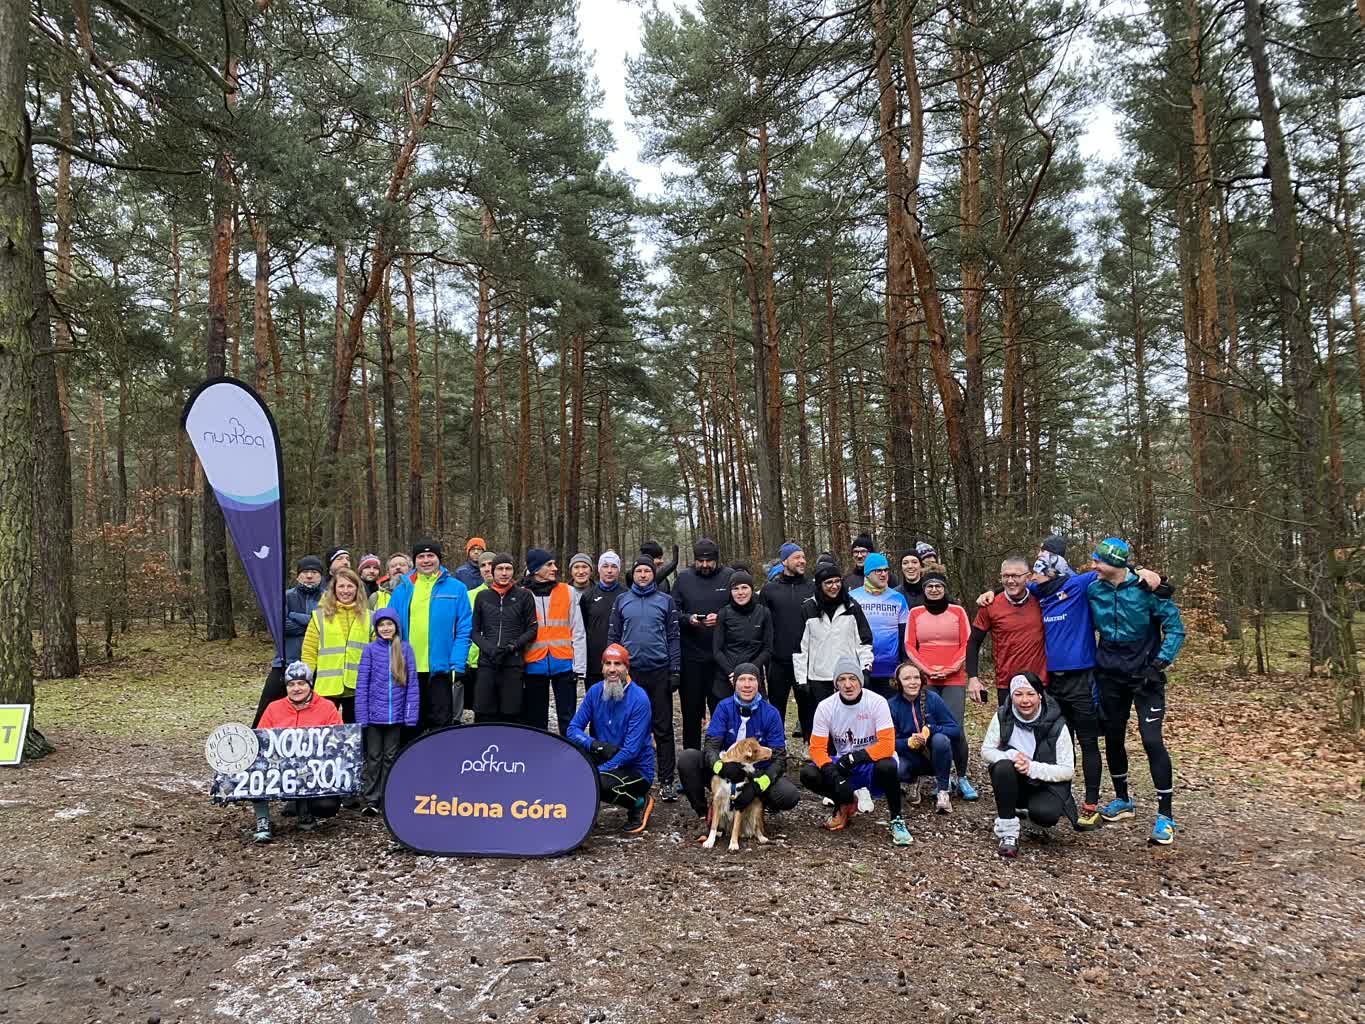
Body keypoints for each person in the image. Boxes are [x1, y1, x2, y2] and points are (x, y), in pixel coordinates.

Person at [973, 535, 1169, 830]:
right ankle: (1048, 793)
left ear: (1054, 567)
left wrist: (1145, 572)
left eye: (1040, 567)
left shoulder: (1079, 584)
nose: (1034, 578)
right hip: (1051, 682)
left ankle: (1090, 802)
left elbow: (1114, 570)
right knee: (1057, 740)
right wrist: (991, 592)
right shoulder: (1038, 592)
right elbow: (1016, 586)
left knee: (1088, 740)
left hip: (1083, 678)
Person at [1087, 537, 1186, 845]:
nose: (1093, 566)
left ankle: (1165, 817)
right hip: (1109, 675)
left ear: (1115, 564)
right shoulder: (1093, 589)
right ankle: (1123, 800)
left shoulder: (1147, 590)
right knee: (1113, 737)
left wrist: (1159, 663)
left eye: (1098, 561)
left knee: (1152, 740)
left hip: (1145, 675)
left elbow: (1176, 628)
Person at [799, 657, 912, 845]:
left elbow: (887, 745)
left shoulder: (877, 702)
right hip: (844, 763)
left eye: (852, 679)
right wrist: (835, 777)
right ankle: (843, 803)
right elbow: (817, 748)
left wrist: (855, 757)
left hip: (871, 761)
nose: (848, 685)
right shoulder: (826, 706)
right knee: (808, 773)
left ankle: (896, 819)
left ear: (860, 681)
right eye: (842, 680)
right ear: (836, 684)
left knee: (888, 765)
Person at [677, 662, 801, 822]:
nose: (747, 685)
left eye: (752, 679)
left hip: (756, 773)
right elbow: (710, 746)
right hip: (726, 770)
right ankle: (704, 813)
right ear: (734, 683)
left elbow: (779, 758)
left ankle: (760, 804)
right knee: (688, 759)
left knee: (789, 795)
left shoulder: (771, 713)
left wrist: (757, 787)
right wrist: (721, 767)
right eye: (742, 680)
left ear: (759, 683)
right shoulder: (723, 707)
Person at [980, 672, 1077, 858]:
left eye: (1030, 694)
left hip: (1044, 783)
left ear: (1040, 695)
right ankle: (1008, 832)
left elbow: (1067, 770)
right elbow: (986, 750)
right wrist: (1012, 755)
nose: (1025, 700)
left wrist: (1032, 767)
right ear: (1011, 695)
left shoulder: (1058, 724)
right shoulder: (1003, 716)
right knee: (1002, 766)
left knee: (1046, 816)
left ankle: (1025, 809)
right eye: (1019, 694)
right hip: (1013, 775)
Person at [608, 556, 682, 799]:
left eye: (647, 571)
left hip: (659, 670)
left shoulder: (665, 601)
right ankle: (629, 774)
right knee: (630, 726)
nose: (642, 575)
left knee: (663, 727)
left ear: (653, 574)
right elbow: (614, 637)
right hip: (630, 674)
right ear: (633, 575)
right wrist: (613, 669)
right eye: (638, 571)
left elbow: (673, 636)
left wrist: (675, 670)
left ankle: (667, 780)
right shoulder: (622, 601)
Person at [903, 569, 979, 801]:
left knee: (954, 727)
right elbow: (909, 645)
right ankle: (940, 779)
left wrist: (953, 667)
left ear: (945, 589)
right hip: (926, 679)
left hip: (953, 677)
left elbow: (968, 642)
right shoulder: (915, 613)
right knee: (930, 728)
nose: (934, 589)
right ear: (924, 590)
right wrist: (925, 670)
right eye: (929, 586)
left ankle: (963, 777)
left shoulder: (957, 611)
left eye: (938, 586)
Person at [566, 643, 656, 833]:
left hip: (635, 769)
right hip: (604, 756)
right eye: (608, 664)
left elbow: (631, 751)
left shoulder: (639, 699)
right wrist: (595, 745)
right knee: (571, 765)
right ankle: (585, 814)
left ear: (626, 668)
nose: (612, 669)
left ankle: (640, 802)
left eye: (618, 664)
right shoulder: (595, 692)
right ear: (602, 667)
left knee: (596, 780)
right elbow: (573, 729)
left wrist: (594, 771)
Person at [252, 661, 344, 842]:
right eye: (291, 684)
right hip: (277, 767)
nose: (296, 688)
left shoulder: (327, 707)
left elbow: (339, 742)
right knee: (255, 764)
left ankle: (305, 811)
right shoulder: (273, 708)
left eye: (301, 683)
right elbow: (261, 742)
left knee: (327, 806)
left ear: (310, 684)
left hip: (313, 771)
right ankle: (263, 819)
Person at [387, 538, 474, 733]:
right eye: (421, 556)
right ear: (415, 561)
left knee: (441, 722)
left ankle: (440, 761)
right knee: (411, 722)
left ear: (439, 559)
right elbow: (390, 627)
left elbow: (464, 628)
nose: (426, 560)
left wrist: (458, 662)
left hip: (441, 668)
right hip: (409, 667)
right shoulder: (402, 589)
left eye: (431, 556)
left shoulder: (456, 588)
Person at [793, 563, 873, 741]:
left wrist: (865, 668)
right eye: (828, 582)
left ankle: (850, 753)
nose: (834, 586)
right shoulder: (808, 609)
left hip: (847, 676)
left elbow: (865, 642)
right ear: (820, 585)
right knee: (821, 720)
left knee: (848, 720)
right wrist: (801, 680)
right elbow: (800, 648)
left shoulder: (852, 607)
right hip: (819, 677)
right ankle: (819, 755)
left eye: (837, 581)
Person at [672, 538, 735, 752]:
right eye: (701, 561)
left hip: (721, 659)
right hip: (691, 658)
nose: (705, 565)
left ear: (717, 559)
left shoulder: (729, 577)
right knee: (691, 713)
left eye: (710, 561)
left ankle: (723, 760)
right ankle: (692, 763)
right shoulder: (683, 579)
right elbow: (673, 613)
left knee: (722, 711)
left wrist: (721, 618)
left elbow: (739, 608)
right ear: (694, 560)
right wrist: (689, 619)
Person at [354, 608, 419, 815]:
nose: (386, 628)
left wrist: (410, 715)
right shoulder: (370, 650)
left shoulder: (406, 650)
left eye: (389, 624)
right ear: (376, 628)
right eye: (381, 625)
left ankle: (387, 797)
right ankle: (371, 799)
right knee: (373, 756)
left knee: (391, 756)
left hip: (396, 716)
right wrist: (362, 716)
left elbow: (412, 686)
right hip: (374, 717)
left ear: (396, 627)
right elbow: (362, 685)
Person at [966, 555, 1049, 708]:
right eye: (1005, 576)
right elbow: (973, 642)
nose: (1010, 581)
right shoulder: (990, 605)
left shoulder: (1042, 600)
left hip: (1039, 681)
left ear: (1028, 577)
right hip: (1007, 682)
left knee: (1041, 730)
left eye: (1016, 576)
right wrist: (973, 678)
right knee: (1009, 730)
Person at [254, 554, 326, 727]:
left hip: (317, 665)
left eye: (314, 572)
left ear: (321, 576)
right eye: (305, 572)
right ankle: (255, 743)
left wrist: (294, 616)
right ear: (298, 575)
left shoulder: (328, 598)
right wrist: (312, 622)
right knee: (267, 707)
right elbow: (279, 626)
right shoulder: (285, 596)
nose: (309, 576)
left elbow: (327, 628)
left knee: (313, 712)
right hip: (285, 662)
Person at [521, 548, 587, 735]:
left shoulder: (568, 591)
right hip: (533, 664)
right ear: (535, 569)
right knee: (536, 720)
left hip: (564, 665)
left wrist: (579, 666)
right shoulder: (522, 593)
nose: (555, 568)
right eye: (549, 564)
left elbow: (578, 631)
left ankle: (570, 756)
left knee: (569, 719)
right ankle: (539, 758)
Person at [470, 553, 538, 722]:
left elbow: (532, 628)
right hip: (487, 662)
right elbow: (474, 631)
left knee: (511, 712)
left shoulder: (524, 595)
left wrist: (513, 646)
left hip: (513, 662)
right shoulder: (482, 597)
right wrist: (489, 649)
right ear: (492, 572)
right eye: (500, 569)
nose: (504, 573)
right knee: (484, 711)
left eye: (508, 569)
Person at [758, 542, 816, 736]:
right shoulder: (769, 590)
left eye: (803, 557)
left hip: (807, 661)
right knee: (776, 709)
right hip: (778, 661)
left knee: (809, 708)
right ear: (784, 561)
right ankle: (776, 751)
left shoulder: (813, 588)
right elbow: (762, 625)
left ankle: (812, 751)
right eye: (797, 557)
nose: (802, 561)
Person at [889, 661, 960, 813]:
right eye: (907, 678)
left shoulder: (932, 698)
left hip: (934, 755)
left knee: (941, 739)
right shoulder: (891, 705)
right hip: (909, 757)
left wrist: (930, 729)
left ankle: (943, 791)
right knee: (896, 768)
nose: (913, 682)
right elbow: (887, 742)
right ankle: (912, 781)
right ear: (898, 682)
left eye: (916, 677)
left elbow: (955, 730)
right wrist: (908, 742)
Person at [301, 567, 370, 724]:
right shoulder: (319, 616)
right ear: (334, 589)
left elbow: (375, 653)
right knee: (323, 731)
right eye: (341, 586)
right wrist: (306, 680)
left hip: (357, 687)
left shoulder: (370, 617)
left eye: (350, 586)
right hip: (327, 686)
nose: (345, 591)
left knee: (355, 734)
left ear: (357, 589)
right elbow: (309, 652)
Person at [849, 553, 910, 700]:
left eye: (886, 570)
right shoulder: (852, 597)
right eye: (878, 571)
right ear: (868, 573)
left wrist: (905, 664)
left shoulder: (898, 598)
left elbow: (904, 635)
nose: (883, 574)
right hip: (862, 668)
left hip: (890, 669)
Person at [711, 571, 773, 706]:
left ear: (751, 589)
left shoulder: (763, 613)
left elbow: (768, 649)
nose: (740, 592)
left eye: (744, 587)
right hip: (727, 676)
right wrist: (732, 673)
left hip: (753, 675)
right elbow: (717, 650)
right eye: (735, 589)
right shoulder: (724, 613)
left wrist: (749, 672)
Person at [581, 551, 624, 691]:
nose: (609, 570)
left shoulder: (626, 595)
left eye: (614, 566)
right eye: (605, 566)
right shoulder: (588, 595)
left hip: (619, 661)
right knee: (596, 703)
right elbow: (582, 628)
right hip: (594, 663)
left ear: (618, 570)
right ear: (599, 569)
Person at [463, 551, 497, 679]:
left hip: (502, 663)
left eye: (491, 564)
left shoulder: (516, 595)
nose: (487, 569)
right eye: (483, 565)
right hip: (474, 664)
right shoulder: (469, 596)